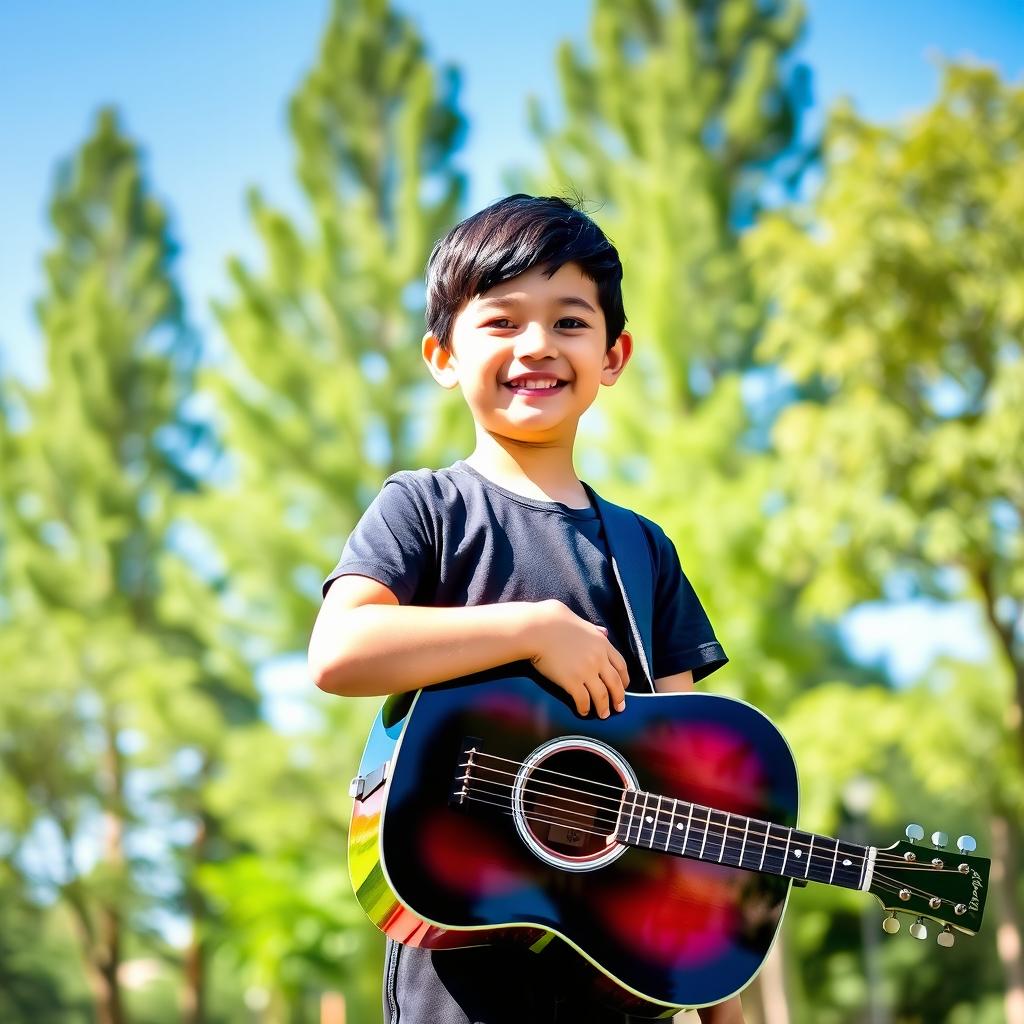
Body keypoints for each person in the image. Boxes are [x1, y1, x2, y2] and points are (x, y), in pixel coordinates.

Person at [308, 194, 745, 1024]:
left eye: (569, 323)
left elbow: (690, 793)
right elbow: (339, 652)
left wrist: (717, 1005)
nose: (537, 346)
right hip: (460, 983)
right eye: (502, 322)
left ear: (614, 356)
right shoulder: (425, 507)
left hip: (620, 992)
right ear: (441, 354)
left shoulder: (643, 549)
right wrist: (532, 628)